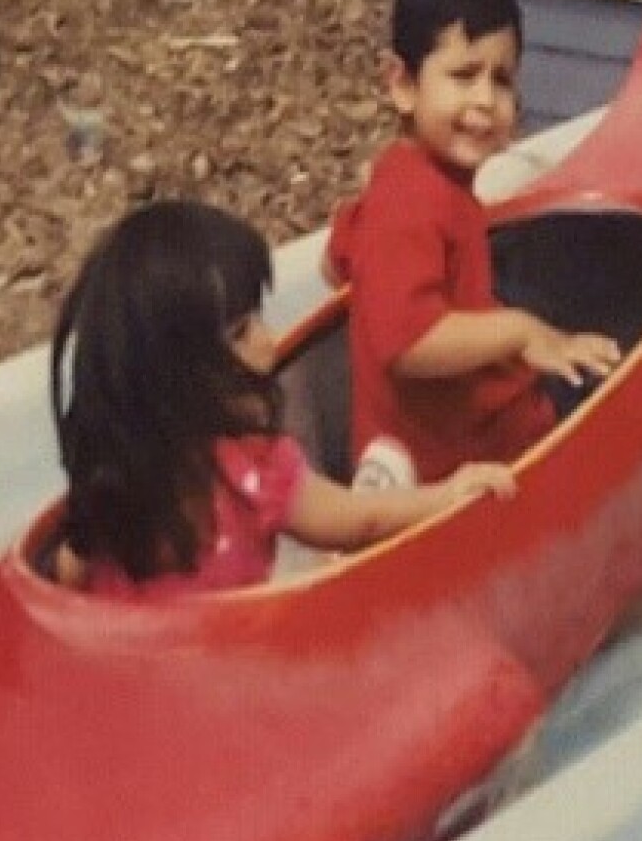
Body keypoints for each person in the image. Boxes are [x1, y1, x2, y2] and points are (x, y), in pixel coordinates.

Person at [46, 199, 516, 598]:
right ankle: (377, 500)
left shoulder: (109, 483)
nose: (268, 341)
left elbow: (70, 576)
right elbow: (360, 523)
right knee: (334, 574)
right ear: (176, 376)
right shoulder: (251, 470)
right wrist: (448, 494)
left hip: (168, 671)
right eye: (241, 332)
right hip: (249, 659)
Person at [323, 0, 621, 487]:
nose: (486, 101)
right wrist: (517, 332)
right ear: (402, 85)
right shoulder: (412, 200)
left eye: (502, 79)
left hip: (450, 436)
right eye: (463, 75)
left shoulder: (405, 183)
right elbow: (407, 342)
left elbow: (338, 258)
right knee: (619, 387)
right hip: (468, 458)